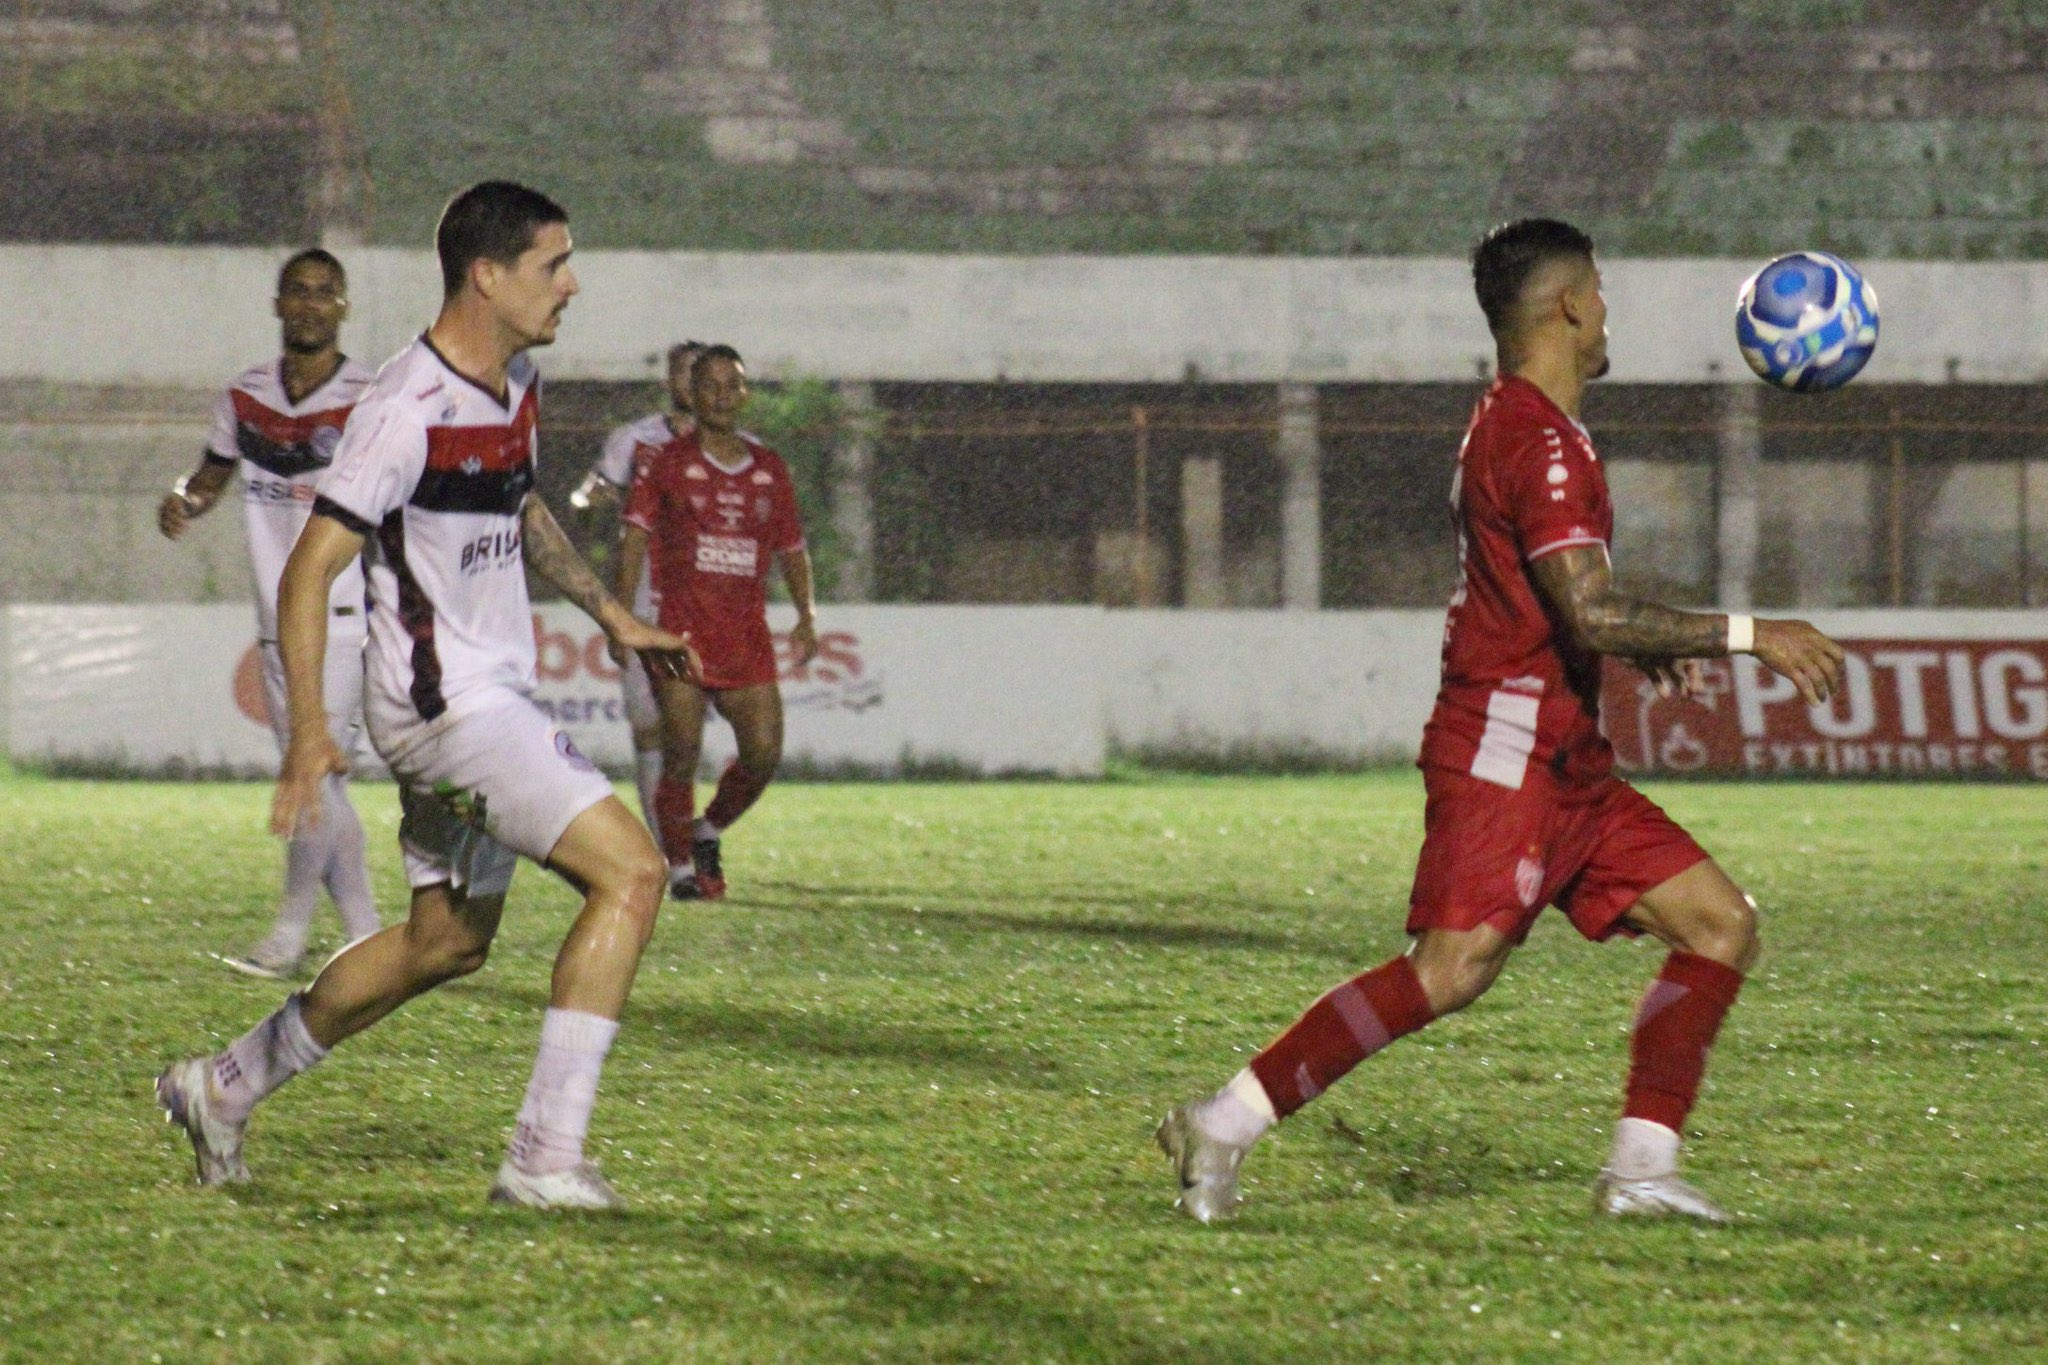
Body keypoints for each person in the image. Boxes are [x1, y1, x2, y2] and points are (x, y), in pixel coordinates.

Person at [1155, 218, 1847, 1225]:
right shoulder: (1533, 438)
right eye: (1598, 292)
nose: (1606, 310)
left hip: (1564, 756)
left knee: (1716, 924)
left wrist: (1634, 642)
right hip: (1504, 751)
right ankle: (1221, 1121)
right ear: (1567, 306)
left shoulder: (1528, 426)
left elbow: (1572, 604)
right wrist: (1748, 633)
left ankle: (1640, 1170)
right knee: (1447, 972)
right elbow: (1587, 608)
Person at [154, 181, 697, 1211]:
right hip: (451, 716)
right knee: (631, 874)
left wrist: (607, 614)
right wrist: (310, 732)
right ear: (487, 277)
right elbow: (308, 568)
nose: (572, 284)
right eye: (554, 264)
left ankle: (221, 1087)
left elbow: (517, 502)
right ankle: (543, 1159)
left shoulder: (514, 379)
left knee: (444, 941)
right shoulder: (404, 408)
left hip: (476, 701)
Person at [157, 248, 382, 979]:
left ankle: (288, 937)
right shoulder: (246, 394)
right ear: (279, 304)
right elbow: (213, 472)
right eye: (299, 292)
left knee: (310, 771)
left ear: (343, 307)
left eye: (326, 293)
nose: (312, 304)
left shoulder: (366, 396)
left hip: (343, 607)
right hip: (274, 610)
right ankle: (368, 936)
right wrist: (185, 498)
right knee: (320, 778)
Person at [615, 344, 818, 900]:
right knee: (681, 746)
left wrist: (805, 615)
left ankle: (707, 830)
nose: (724, 396)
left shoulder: (770, 468)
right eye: (712, 386)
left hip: (745, 635)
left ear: (746, 393)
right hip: (678, 630)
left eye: (734, 385)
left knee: (764, 752)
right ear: (693, 394)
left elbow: (793, 549)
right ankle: (679, 866)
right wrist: (621, 619)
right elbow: (633, 537)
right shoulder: (667, 463)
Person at [569, 341, 705, 846]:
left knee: (685, 734)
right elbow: (592, 492)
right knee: (650, 725)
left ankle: (692, 839)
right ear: (669, 381)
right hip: (647, 592)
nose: (690, 384)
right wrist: (590, 498)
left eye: (700, 374)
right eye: (683, 374)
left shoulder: (733, 447)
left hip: (707, 598)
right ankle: (671, 848)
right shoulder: (636, 439)